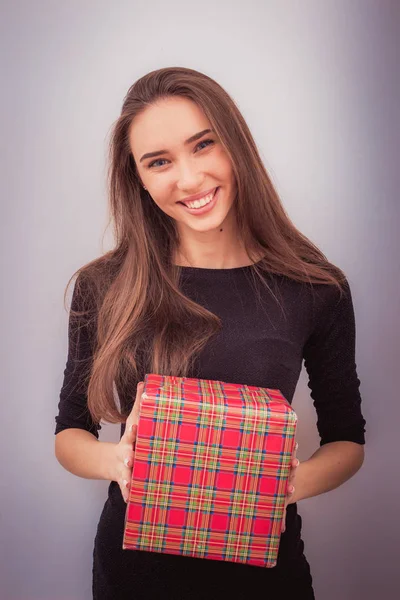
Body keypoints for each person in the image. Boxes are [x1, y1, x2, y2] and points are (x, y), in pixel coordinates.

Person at [54, 66, 366, 599]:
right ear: (140, 179)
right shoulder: (103, 285)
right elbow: (69, 433)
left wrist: (283, 485)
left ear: (235, 145)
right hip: (134, 577)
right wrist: (119, 461)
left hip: (266, 579)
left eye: (204, 146)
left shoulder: (315, 287)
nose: (190, 179)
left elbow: (347, 440)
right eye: (159, 162)